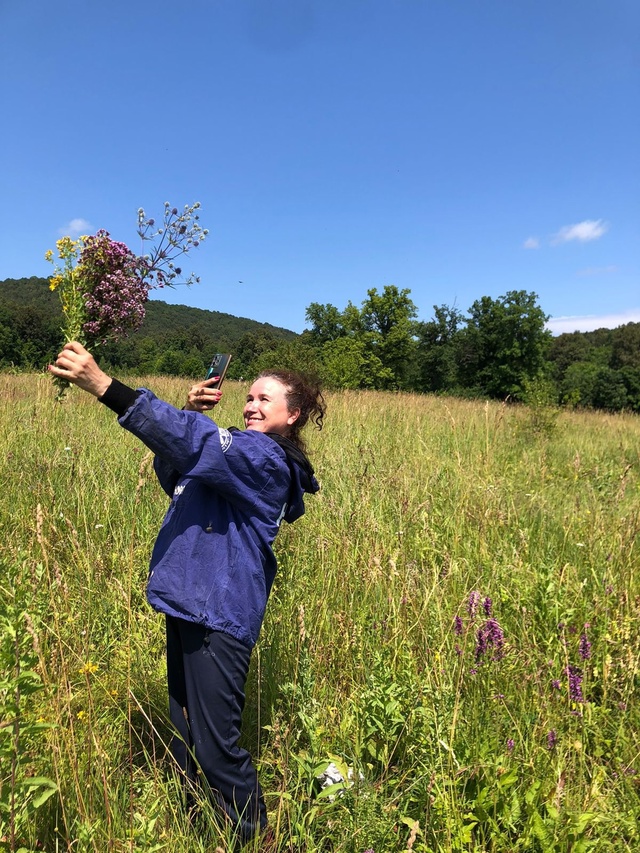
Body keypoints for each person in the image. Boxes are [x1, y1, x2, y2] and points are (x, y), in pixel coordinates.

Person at [49, 341, 325, 846]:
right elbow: (177, 471)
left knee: (216, 745)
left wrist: (104, 386)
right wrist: (189, 414)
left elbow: (198, 447)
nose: (251, 406)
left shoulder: (265, 459)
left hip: (218, 613)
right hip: (190, 602)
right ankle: (202, 827)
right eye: (248, 398)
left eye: (266, 400)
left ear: (293, 415)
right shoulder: (236, 451)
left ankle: (254, 836)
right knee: (188, 730)